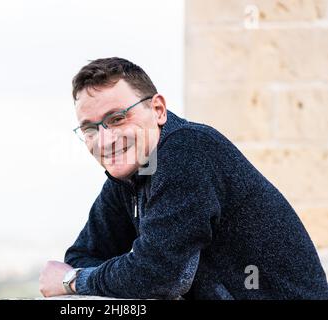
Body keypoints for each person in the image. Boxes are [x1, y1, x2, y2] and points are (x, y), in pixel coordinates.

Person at [39, 57, 328, 299]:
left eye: (117, 118)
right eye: (90, 128)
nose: (104, 140)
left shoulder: (187, 149)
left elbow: (157, 274)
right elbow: (84, 254)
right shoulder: (132, 173)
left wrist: (74, 281)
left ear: (158, 110)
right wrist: (121, 271)